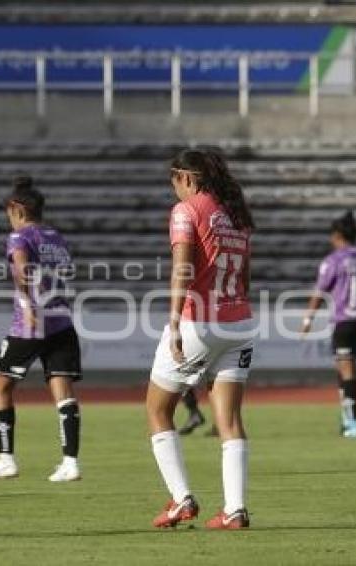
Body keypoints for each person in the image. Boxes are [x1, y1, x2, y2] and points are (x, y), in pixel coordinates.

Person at [147, 149, 255, 530]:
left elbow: (184, 268)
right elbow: (245, 278)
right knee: (229, 419)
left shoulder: (187, 211)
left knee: (158, 410)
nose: (174, 189)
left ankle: (181, 500)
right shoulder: (236, 215)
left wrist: (175, 321)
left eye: (173, 180)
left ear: (186, 178)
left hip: (200, 322)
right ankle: (235, 509)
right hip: (240, 323)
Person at [0, 176, 83, 482]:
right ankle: (70, 463)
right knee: (63, 391)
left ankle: (6, 459)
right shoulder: (57, 238)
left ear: (17, 209)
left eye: (8, 212)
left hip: (30, 325)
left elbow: (22, 271)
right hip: (62, 321)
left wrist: (29, 306)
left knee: (0, 386)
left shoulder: (19, 237)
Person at [301, 211, 356, 439]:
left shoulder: (334, 260)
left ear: (338, 235)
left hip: (346, 323)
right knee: (345, 369)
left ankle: (353, 423)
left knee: (348, 371)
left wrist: (307, 319)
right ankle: (347, 419)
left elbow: (319, 292)